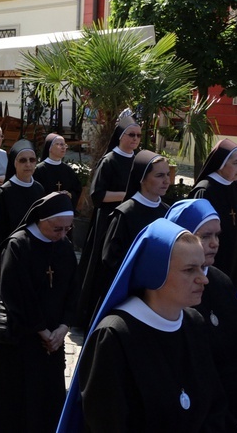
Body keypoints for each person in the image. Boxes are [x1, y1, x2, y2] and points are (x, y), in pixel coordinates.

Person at [59, 219, 229, 432]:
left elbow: (214, 406)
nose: (203, 279)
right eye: (189, 270)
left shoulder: (194, 323)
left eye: (202, 267)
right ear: (155, 273)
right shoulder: (114, 336)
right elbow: (108, 422)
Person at [0, 192, 79, 432]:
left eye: (67, 229)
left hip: (54, 340)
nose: (62, 235)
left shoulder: (64, 246)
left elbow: (73, 288)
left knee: (48, 404)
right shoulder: (19, 245)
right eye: (57, 229)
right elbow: (15, 294)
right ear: (41, 220)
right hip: (23, 340)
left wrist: (64, 327)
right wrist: (42, 331)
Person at [166, 199, 237, 430]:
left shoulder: (221, 281)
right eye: (205, 236)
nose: (214, 243)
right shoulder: (171, 293)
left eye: (217, 236)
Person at [76, 116, 140, 331]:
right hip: (108, 221)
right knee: (101, 268)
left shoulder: (138, 161)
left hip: (130, 220)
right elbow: (98, 195)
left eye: (139, 135)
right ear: (120, 137)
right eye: (131, 134)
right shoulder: (110, 160)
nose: (135, 139)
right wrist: (128, 196)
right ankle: (91, 316)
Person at [91, 150, 171, 320]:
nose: (166, 181)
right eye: (159, 175)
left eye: (167, 175)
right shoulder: (125, 214)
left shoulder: (167, 212)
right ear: (142, 178)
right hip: (127, 294)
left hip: (158, 294)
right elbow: (110, 258)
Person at [189, 139, 237, 286]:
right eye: (236, 162)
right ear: (221, 163)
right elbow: (195, 235)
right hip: (213, 264)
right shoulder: (205, 191)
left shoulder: (236, 187)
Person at [0, 139, 45, 255]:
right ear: (14, 163)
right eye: (23, 160)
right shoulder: (3, 193)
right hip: (12, 253)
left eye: (32, 160)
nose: (28, 164)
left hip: (35, 251)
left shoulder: (39, 189)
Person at [33, 133, 82, 209]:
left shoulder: (68, 170)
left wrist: (69, 194)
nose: (63, 148)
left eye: (64, 145)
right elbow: (35, 193)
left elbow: (77, 189)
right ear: (50, 148)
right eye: (59, 144)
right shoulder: (39, 170)